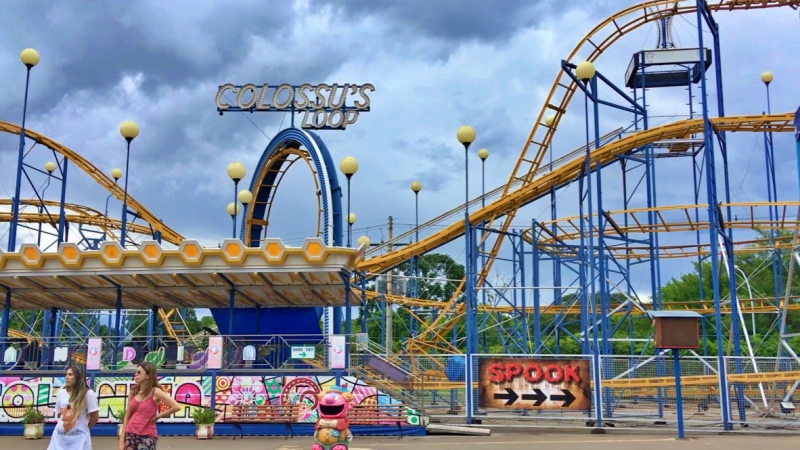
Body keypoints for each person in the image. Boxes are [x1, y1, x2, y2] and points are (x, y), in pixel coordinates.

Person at [119, 362, 180, 450]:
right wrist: (122, 440)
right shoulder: (133, 392)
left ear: (148, 375)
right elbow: (127, 416)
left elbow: (176, 406)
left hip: (147, 436)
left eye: (139, 372)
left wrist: (158, 416)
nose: (136, 374)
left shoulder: (155, 392)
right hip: (131, 434)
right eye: (136, 372)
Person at [47, 363, 99, 450]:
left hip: (79, 441)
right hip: (59, 439)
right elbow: (60, 415)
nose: (66, 377)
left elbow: (94, 417)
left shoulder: (88, 394)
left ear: (78, 377)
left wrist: (82, 427)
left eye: (70, 375)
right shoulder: (61, 393)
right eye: (66, 374)